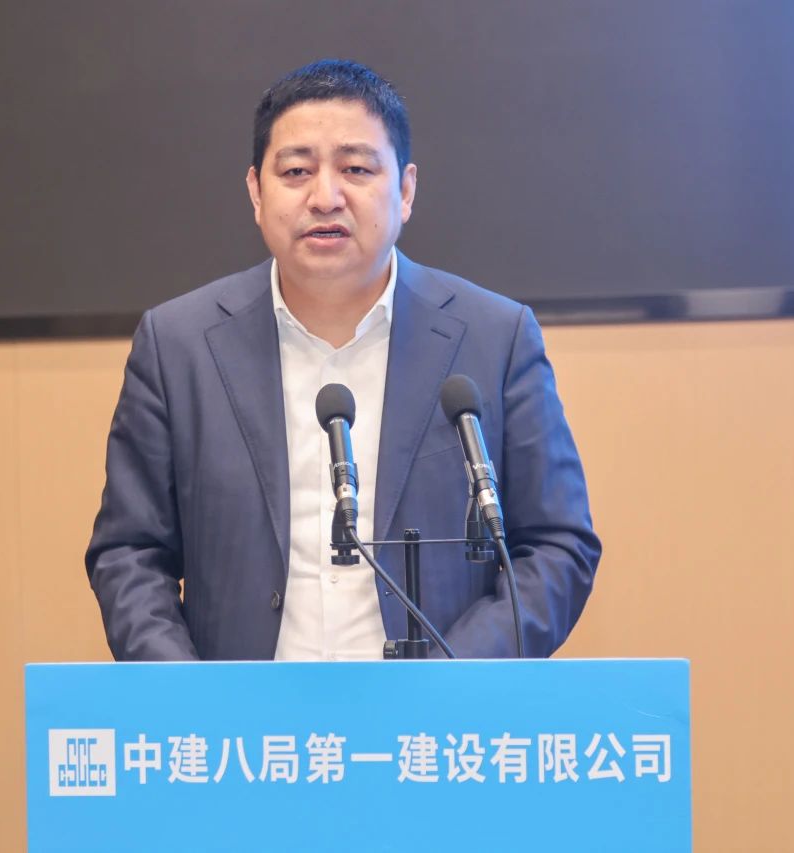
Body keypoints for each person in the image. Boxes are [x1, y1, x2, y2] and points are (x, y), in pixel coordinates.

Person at [86, 59, 600, 661]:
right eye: (296, 171)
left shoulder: (495, 338)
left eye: (356, 169)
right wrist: (195, 696)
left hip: (433, 712)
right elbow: (129, 553)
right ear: (256, 192)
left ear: (405, 190)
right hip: (244, 716)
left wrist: (451, 681)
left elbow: (557, 546)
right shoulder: (178, 345)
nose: (325, 197)